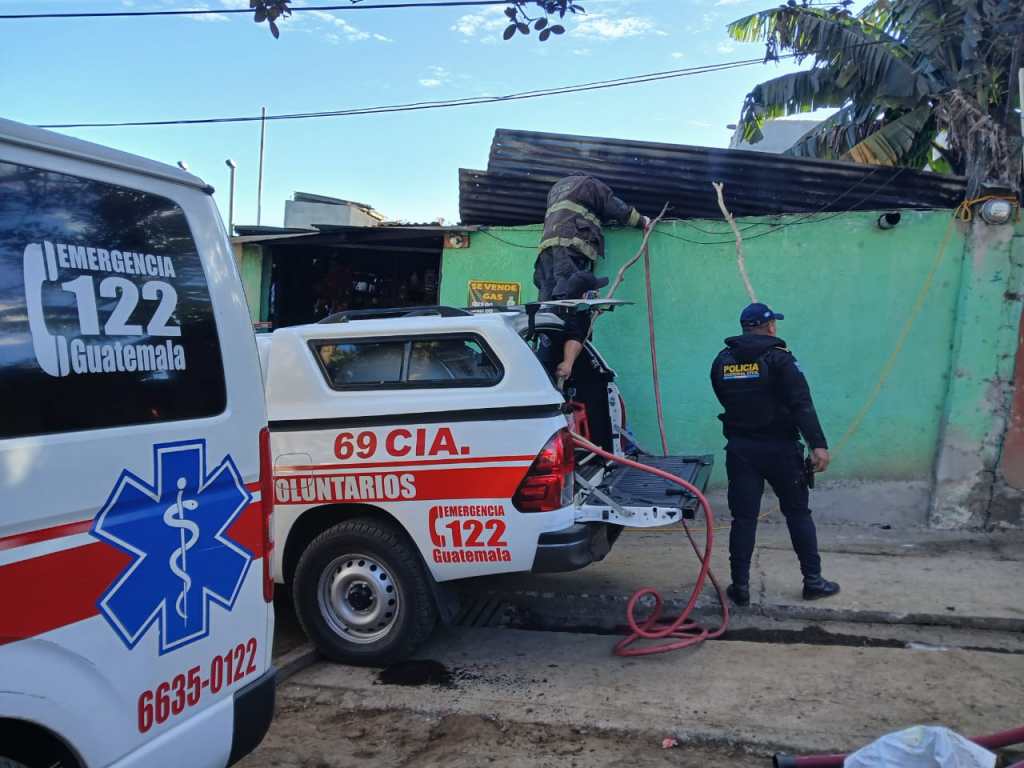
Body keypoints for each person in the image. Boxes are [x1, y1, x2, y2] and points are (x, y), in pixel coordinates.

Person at [710, 303, 840, 607]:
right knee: (797, 514)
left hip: (741, 450)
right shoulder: (781, 359)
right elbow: (801, 404)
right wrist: (818, 444)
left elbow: (723, 396)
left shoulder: (721, 361)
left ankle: (740, 586)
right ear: (769, 327)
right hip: (781, 449)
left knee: (743, 519)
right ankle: (813, 581)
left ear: (744, 327)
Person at [534, 175, 650, 382]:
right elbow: (614, 206)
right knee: (573, 310)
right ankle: (568, 367)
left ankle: (546, 362)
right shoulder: (590, 184)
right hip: (570, 248)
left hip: (546, 253)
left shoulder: (558, 188)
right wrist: (641, 221)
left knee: (548, 309)